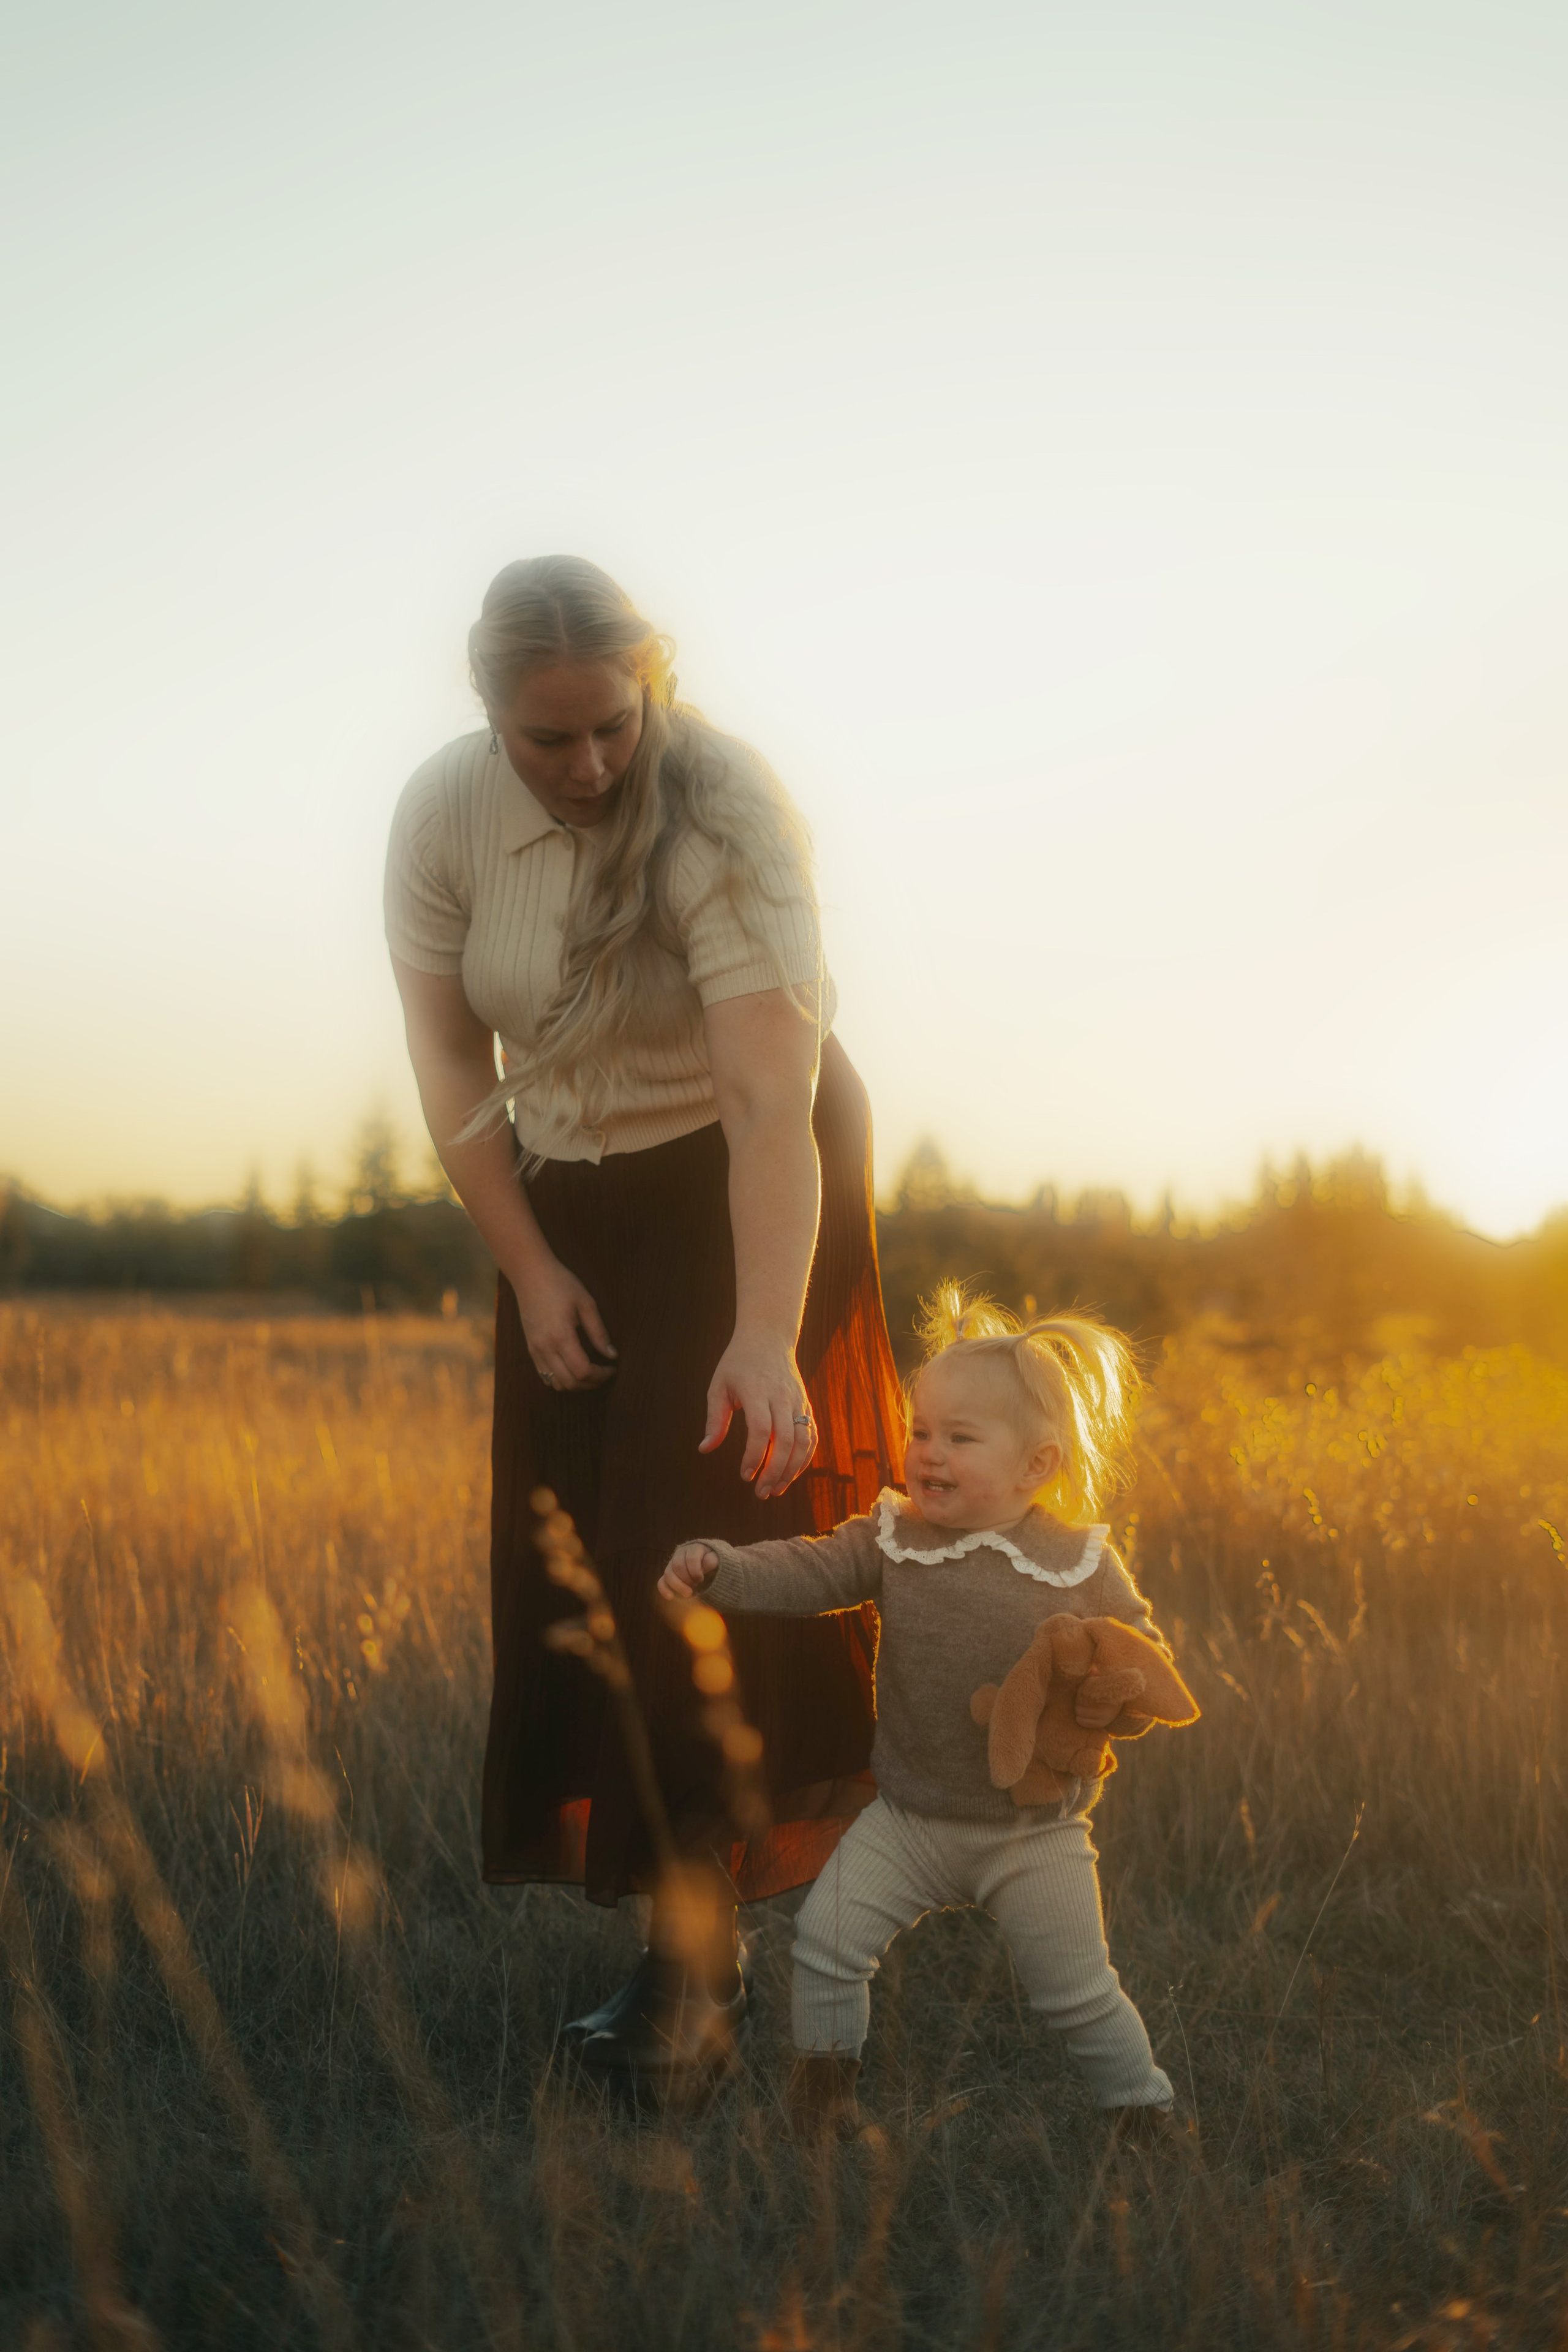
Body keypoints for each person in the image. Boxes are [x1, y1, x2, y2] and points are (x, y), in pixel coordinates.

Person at [385, 555, 904, 2095]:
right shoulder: (440, 815)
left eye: (614, 724)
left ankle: (693, 1985)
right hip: (561, 1192)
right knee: (578, 1572)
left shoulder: (723, 805)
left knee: (678, 1562)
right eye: (549, 739)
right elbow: (450, 1067)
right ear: (490, 717)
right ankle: (690, 1943)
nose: (592, 762)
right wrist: (531, 1269)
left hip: (745, 1184)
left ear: (649, 686)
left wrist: (761, 1332)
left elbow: (765, 1100)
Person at [658, 1287, 1188, 2144]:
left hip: (1035, 1832)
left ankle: (1143, 2119)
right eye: (921, 1432)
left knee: (1077, 1991)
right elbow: (811, 1569)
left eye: (960, 1439)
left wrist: (1110, 1689)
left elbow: (1140, 1654)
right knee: (825, 1945)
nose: (929, 1454)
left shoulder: (1079, 1560)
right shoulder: (894, 1537)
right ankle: (822, 2110)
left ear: (1037, 1465)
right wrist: (724, 1568)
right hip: (907, 1818)